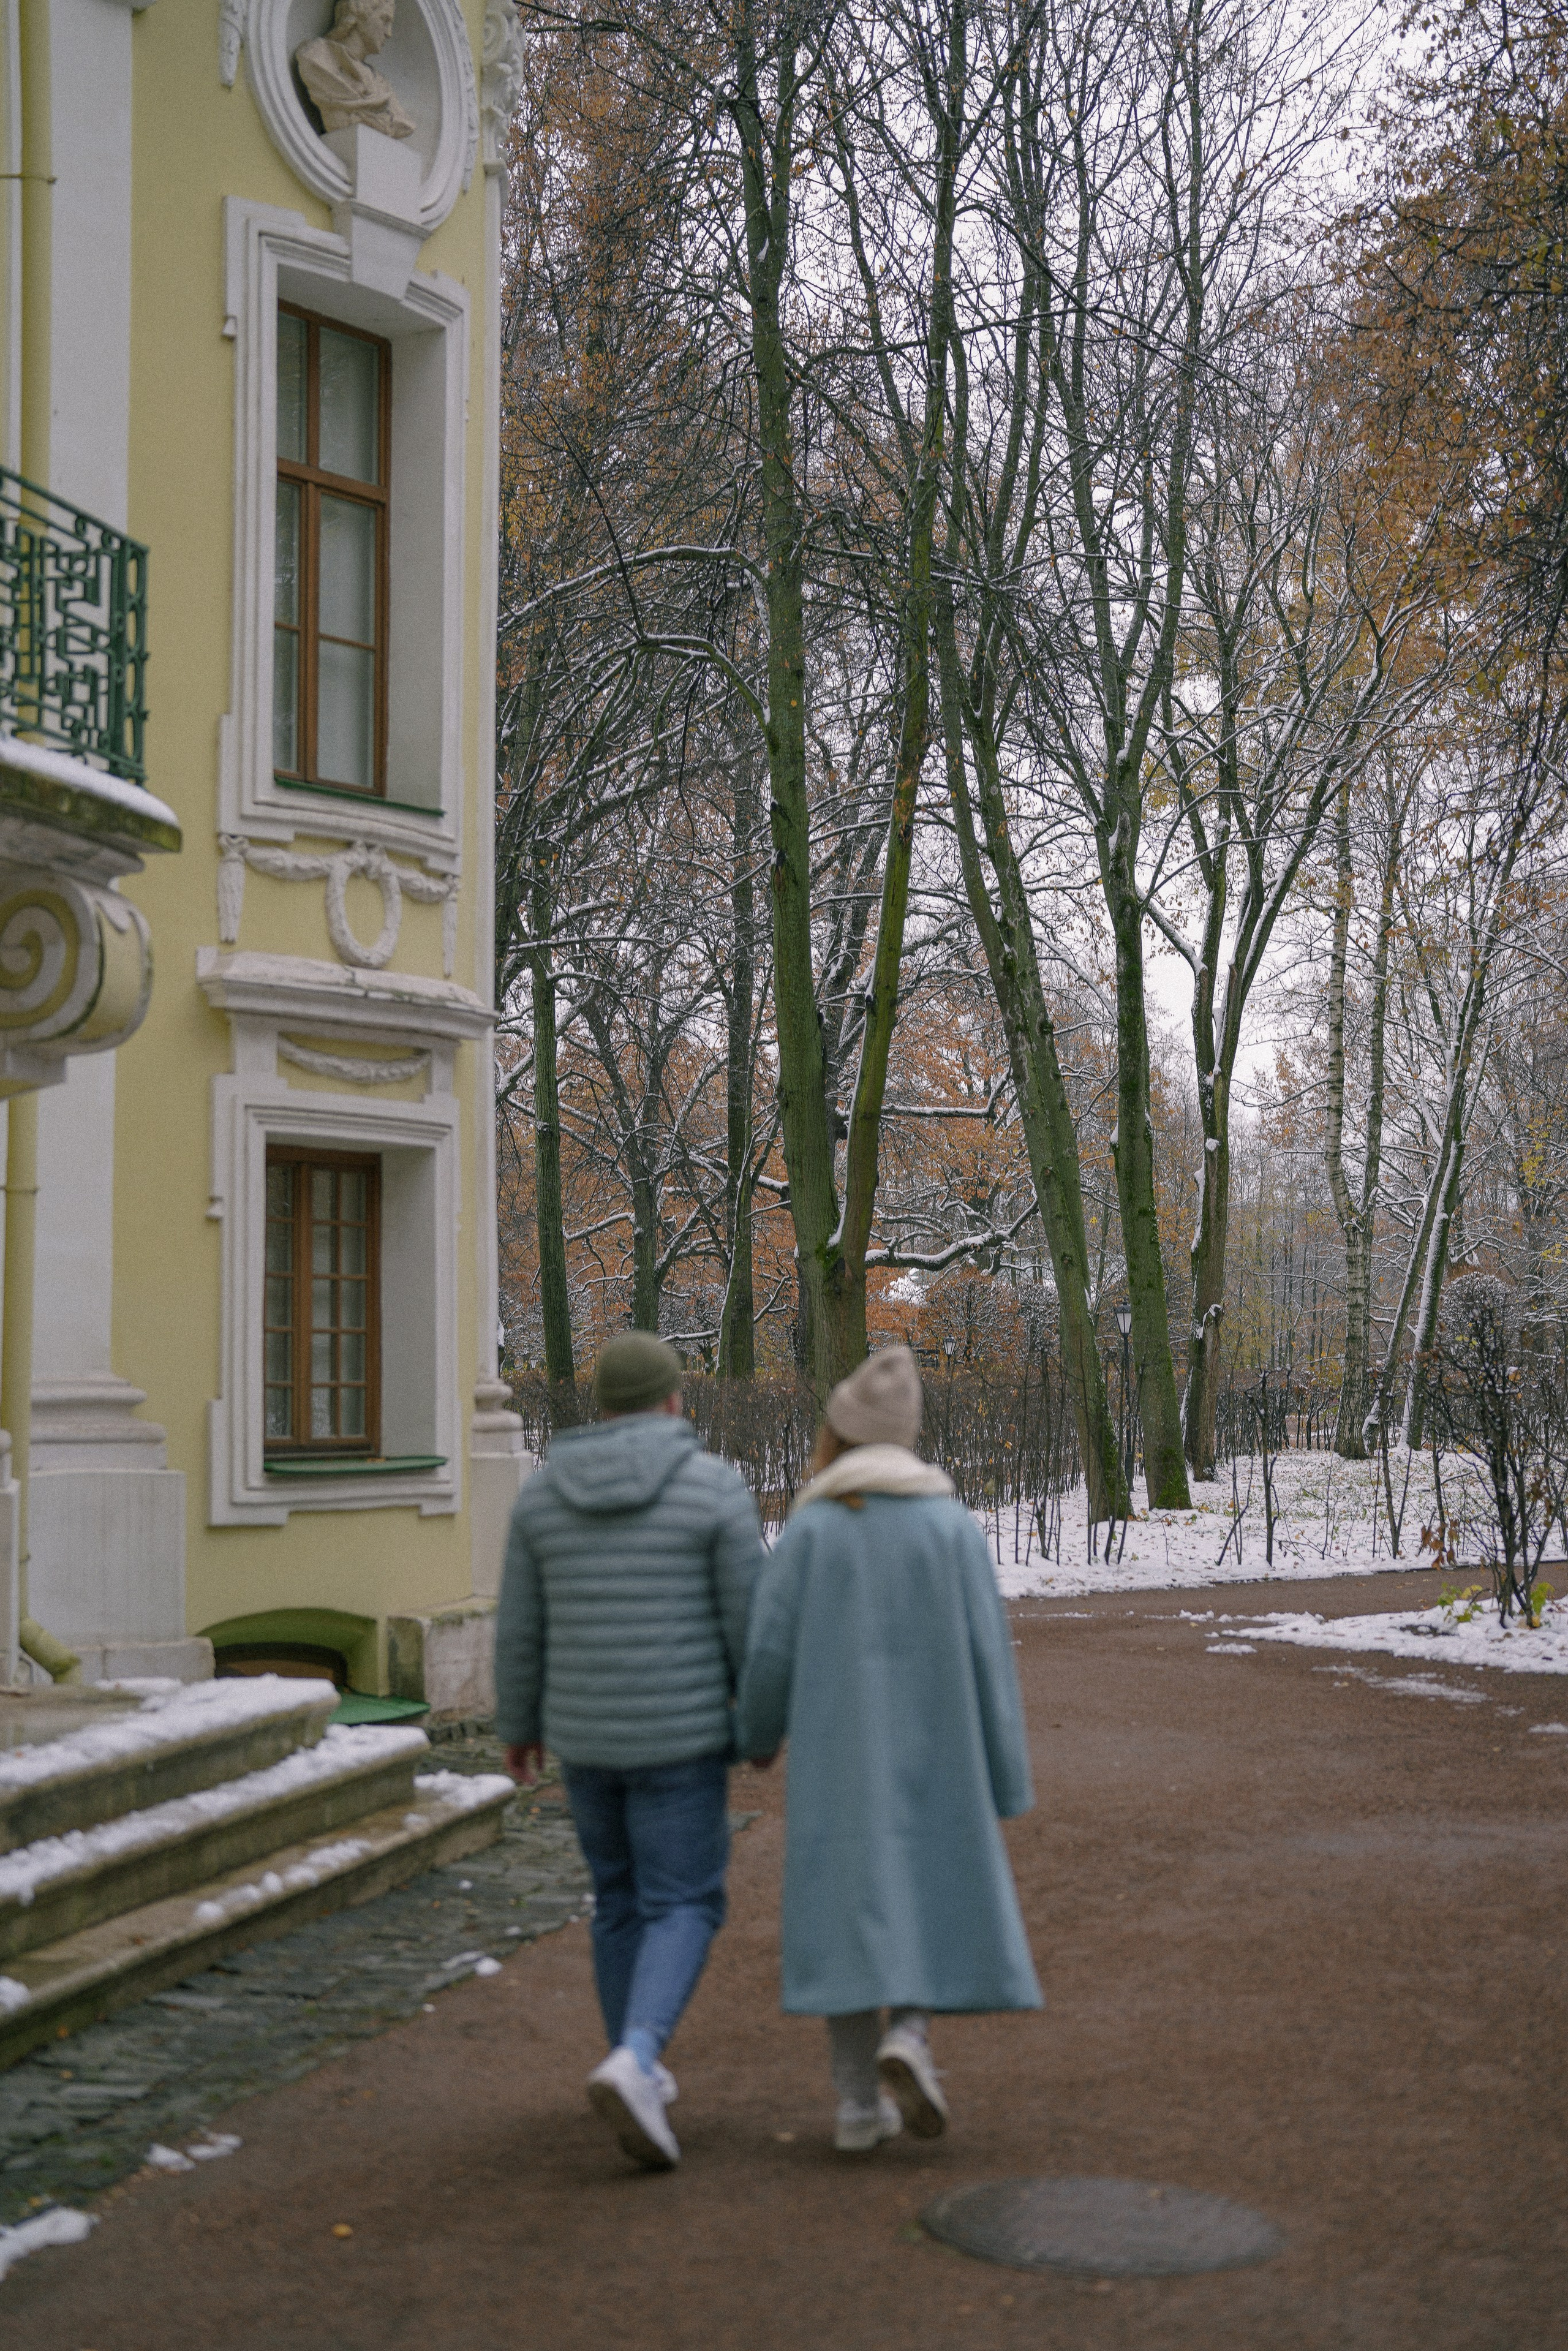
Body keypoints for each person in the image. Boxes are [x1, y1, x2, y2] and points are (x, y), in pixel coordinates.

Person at [736, 1345, 1041, 2154]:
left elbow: (769, 1648)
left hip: (839, 1759)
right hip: (939, 1753)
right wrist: (1005, 1775)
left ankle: (854, 2107)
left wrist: (758, 1735)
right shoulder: (950, 1525)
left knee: (844, 1911)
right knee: (924, 1889)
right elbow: (988, 1655)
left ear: (838, 1433)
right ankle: (909, 2030)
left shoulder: (814, 1526)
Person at [495, 1334, 764, 2171]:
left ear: (602, 1405)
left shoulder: (540, 1498)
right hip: (681, 1738)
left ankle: (631, 2058)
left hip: (584, 1739)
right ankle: (638, 2057)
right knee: (684, 1900)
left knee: (615, 1899)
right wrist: (755, 1723)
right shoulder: (714, 1489)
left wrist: (519, 1725)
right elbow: (749, 1624)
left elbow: (521, 1627)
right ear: (676, 1400)